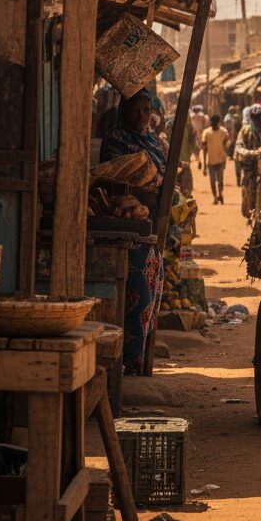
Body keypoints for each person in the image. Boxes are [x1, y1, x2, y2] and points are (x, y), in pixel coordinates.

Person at [99, 89, 166, 376]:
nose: (143, 116)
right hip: (127, 223)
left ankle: (138, 356)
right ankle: (126, 357)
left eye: (147, 110)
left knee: (151, 290)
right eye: (136, 110)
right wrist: (148, 189)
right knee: (134, 290)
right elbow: (115, 179)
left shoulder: (152, 139)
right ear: (124, 111)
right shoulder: (115, 139)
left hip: (151, 225)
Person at [200, 114, 229, 205]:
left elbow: (226, 144)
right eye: (212, 122)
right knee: (212, 181)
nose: (214, 124)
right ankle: (215, 197)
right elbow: (204, 150)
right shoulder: (206, 133)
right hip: (210, 161)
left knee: (220, 180)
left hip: (220, 160)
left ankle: (220, 194)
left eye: (215, 122)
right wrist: (204, 165)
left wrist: (225, 158)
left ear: (218, 123)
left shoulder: (223, 132)